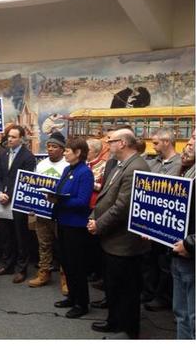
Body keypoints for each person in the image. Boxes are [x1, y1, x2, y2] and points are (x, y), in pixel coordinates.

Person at [87, 129, 151, 339]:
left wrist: (99, 224)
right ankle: (114, 322)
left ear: (122, 143)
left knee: (126, 289)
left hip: (124, 241)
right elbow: (107, 195)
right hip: (113, 238)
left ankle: (127, 330)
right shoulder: (121, 164)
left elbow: (123, 207)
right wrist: (94, 216)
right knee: (114, 286)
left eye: (111, 141)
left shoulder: (136, 167)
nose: (108, 145)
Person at [50, 137, 94, 319]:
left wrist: (59, 200)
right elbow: (61, 190)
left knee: (77, 265)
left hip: (76, 225)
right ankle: (72, 297)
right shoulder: (67, 169)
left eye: (68, 150)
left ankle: (82, 303)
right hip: (62, 222)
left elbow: (82, 201)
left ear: (78, 153)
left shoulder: (85, 173)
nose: (65, 152)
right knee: (66, 263)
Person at [143, 127, 182, 312]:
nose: (153, 145)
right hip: (151, 216)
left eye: (156, 142)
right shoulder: (154, 162)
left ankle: (163, 297)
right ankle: (150, 291)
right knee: (151, 258)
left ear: (167, 142)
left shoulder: (180, 163)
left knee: (164, 261)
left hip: (167, 219)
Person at [0, 125, 36, 284]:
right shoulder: (3, 155)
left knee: (21, 236)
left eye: (14, 137)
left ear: (21, 139)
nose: (9, 139)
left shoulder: (28, 157)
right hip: (2, 201)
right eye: (9, 136)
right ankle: (8, 265)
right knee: (6, 235)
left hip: (17, 202)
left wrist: (8, 195)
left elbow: (25, 181)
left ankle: (21, 269)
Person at [27, 132, 69, 288]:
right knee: (43, 244)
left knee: (63, 246)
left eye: (54, 146)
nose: (50, 149)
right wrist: (30, 205)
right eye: (49, 146)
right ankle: (44, 272)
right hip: (42, 212)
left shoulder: (67, 165)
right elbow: (33, 187)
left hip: (60, 213)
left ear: (62, 149)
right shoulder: (41, 164)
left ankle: (66, 277)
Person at [171, 130, 195, 339]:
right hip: (179, 252)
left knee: (195, 317)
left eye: (195, 138)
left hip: (190, 253)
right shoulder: (189, 170)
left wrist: (190, 244)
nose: (189, 142)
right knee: (182, 314)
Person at [85, 138, 107, 302]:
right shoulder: (84, 164)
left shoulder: (103, 165)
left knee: (96, 242)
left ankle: (97, 272)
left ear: (94, 150)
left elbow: (103, 187)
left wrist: (87, 183)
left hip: (96, 206)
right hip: (84, 206)